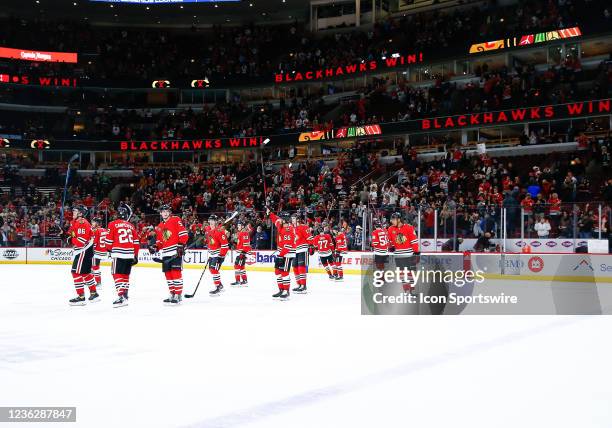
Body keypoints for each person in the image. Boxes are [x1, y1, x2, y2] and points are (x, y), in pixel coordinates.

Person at [149, 204, 189, 304]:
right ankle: (172, 293)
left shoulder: (175, 219)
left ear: (169, 212)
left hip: (175, 251)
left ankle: (178, 294)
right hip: (165, 253)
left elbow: (183, 233)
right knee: (168, 274)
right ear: (160, 213)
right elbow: (160, 242)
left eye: (167, 211)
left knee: (176, 273)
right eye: (163, 211)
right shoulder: (159, 227)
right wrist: (155, 247)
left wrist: (181, 244)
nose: (165, 213)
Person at [105, 204, 140, 308]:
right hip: (130, 254)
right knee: (125, 275)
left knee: (116, 274)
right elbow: (136, 242)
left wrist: (109, 250)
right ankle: (125, 294)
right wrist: (135, 255)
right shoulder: (131, 226)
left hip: (118, 252)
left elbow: (108, 242)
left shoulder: (112, 224)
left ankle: (121, 296)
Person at [67, 205, 98, 306]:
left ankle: (81, 297)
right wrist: (64, 234)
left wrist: (70, 239)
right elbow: (71, 234)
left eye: (75, 211)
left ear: (80, 213)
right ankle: (94, 293)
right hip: (84, 251)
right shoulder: (75, 222)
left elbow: (81, 241)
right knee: (85, 273)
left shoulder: (82, 223)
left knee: (75, 272)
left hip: (83, 251)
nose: (73, 212)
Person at [387, 212, 419, 293]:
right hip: (398, 255)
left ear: (399, 219)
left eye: (393, 219)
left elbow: (414, 241)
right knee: (401, 273)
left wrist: (416, 252)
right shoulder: (390, 229)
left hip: (409, 254)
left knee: (410, 273)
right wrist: (390, 246)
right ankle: (406, 290)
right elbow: (389, 241)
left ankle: (412, 289)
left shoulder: (409, 227)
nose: (391, 221)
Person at [268, 209, 295, 300]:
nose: (280, 220)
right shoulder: (280, 223)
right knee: (277, 272)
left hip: (287, 253)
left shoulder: (289, 229)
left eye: (283, 219)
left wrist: (281, 255)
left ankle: (286, 291)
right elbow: (275, 219)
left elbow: (288, 246)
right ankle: (281, 289)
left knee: (284, 272)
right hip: (281, 252)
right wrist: (270, 213)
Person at [205, 214, 229, 295]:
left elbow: (225, 245)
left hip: (218, 255)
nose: (211, 222)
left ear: (216, 222)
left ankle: (218, 286)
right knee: (212, 270)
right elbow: (210, 242)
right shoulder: (208, 230)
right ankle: (220, 285)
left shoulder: (220, 232)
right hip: (212, 254)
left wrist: (221, 256)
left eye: (213, 220)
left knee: (214, 270)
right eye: (210, 220)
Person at [291, 212, 312, 293]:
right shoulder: (292, 228)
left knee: (301, 267)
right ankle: (299, 284)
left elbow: (309, 237)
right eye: (292, 218)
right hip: (294, 250)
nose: (292, 220)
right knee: (295, 267)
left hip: (303, 249)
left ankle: (303, 286)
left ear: (298, 219)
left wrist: (311, 246)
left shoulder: (303, 227)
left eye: (294, 218)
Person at [231, 221, 251, 286]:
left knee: (237, 266)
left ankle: (238, 281)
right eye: (238, 225)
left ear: (242, 226)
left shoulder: (244, 233)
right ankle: (244, 280)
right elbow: (240, 243)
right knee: (241, 267)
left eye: (239, 225)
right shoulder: (240, 233)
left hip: (241, 253)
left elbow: (246, 245)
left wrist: (243, 253)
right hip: (240, 252)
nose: (238, 226)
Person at [91, 216, 109, 288]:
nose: (92, 223)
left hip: (97, 252)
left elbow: (94, 243)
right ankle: (91, 280)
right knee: (92, 266)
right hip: (104, 251)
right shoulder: (105, 230)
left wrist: (91, 252)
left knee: (95, 267)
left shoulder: (95, 231)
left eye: (93, 222)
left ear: (97, 223)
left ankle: (98, 282)